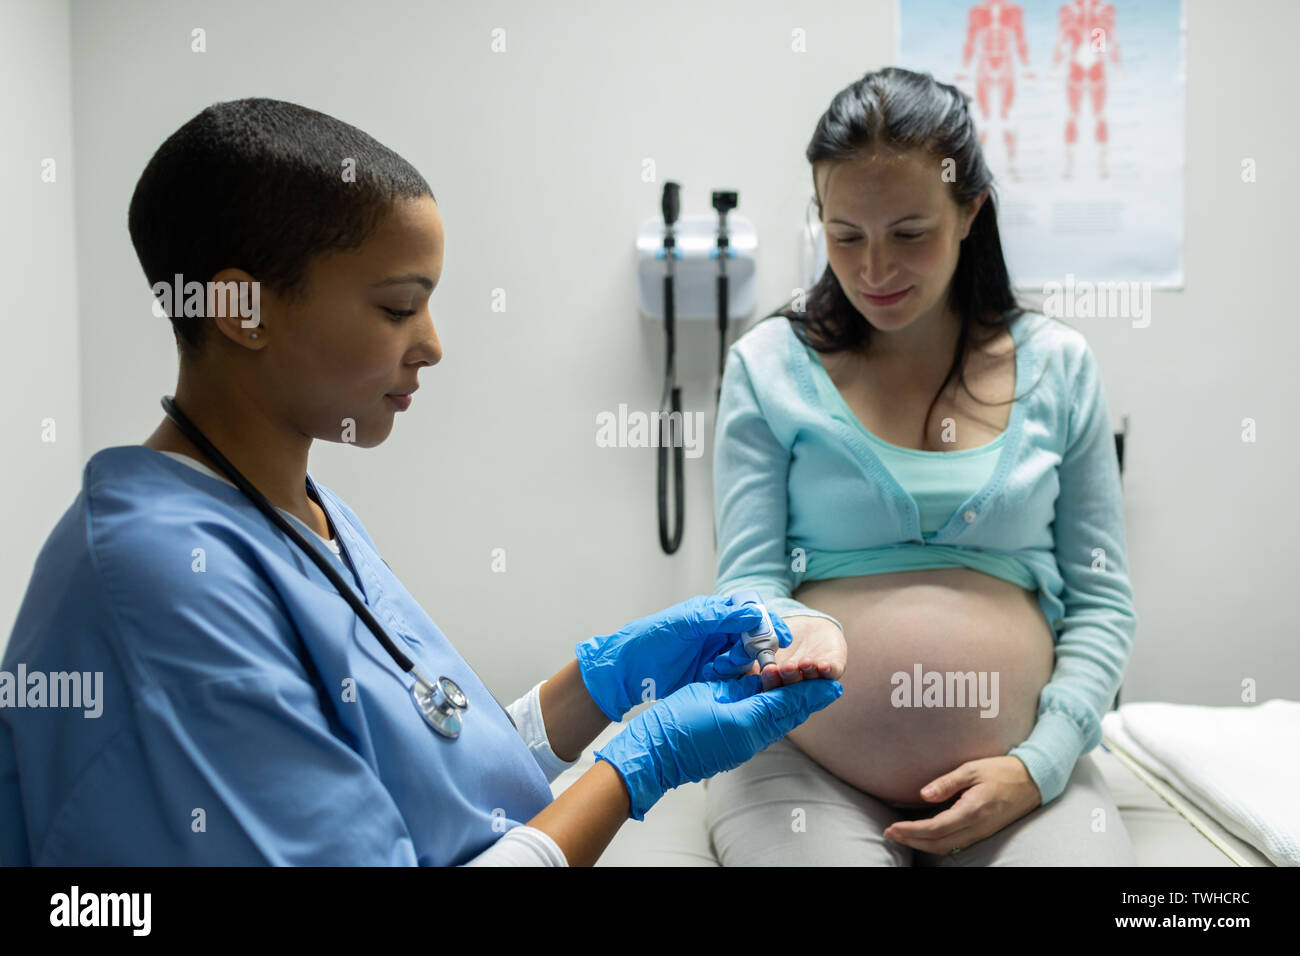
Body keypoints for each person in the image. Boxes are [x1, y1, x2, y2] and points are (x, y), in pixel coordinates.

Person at [0, 97, 842, 867]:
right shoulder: (163, 581)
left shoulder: (296, 513)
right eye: (400, 307)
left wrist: (601, 686)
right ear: (241, 311)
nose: (432, 344)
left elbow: (425, 773)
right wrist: (635, 767)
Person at [706, 67, 1139, 865]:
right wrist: (789, 630)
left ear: (970, 210)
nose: (874, 270)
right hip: (808, 763)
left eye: (909, 234)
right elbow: (747, 583)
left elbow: (1103, 604)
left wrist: (1037, 766)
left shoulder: (1060, 367)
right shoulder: (768, 366)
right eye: (845, 236)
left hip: (1022, 776)